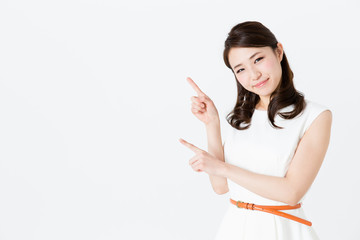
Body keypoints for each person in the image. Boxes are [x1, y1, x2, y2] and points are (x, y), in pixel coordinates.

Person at [179, 21, 332, 240]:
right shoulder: (240, 118)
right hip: (235, 227)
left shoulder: (315, 116)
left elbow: (291, 192)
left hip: (283, 229)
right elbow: (220, 186)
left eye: (258, 59)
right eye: (240, 69)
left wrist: (221, 167)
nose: (253, 75)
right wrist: (212, 124)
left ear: (278, 51)